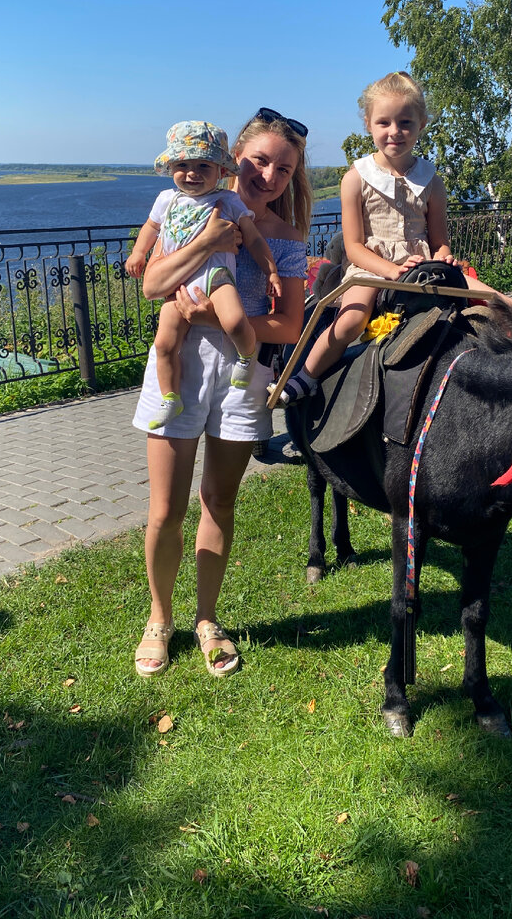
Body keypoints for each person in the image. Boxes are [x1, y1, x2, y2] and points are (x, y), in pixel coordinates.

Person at [132, 108, 311, 678]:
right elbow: (153, 284)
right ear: (234, 159)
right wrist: (208, 242)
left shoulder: (285, 241)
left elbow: (290, 326)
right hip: (179, 370)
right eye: (259, 160)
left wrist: (218, 317)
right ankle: (159, 619)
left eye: (283, 170)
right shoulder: (188, 215)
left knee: (219, 501)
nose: (268, 175)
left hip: (241, 373)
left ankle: (206, 618)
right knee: (164, 509)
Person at [273, 71, 511, 405]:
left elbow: (440, 240)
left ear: (421, 124)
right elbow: (354, 247)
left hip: (423, 267)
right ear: (369, 124)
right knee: (351, 321)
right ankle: (306, 377)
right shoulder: (355, 179)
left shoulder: (432, 181)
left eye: (405, 122)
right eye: (384, 122)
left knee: (505, 304)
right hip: (372, 269)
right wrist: (390, 270)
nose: (394, 132)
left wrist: (442, 256)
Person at [129, 122, 282, 431]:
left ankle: (246, 356)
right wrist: (138, 253)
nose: (191, 173)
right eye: (182, 165)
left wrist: (272, 270)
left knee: (235, 322)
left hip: (216, 276)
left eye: (202, 165)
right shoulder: (166, 200)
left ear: (220, 172)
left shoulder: (226, 202)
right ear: (171, 167)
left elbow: (252, 239)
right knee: (164, 343)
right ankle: (170, 396)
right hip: (178, 285)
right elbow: (150, 228)